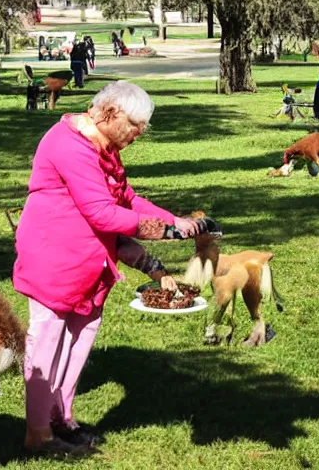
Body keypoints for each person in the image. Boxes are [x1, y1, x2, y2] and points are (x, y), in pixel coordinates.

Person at [13, 80, 203, 456]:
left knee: (79, 340)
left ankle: (61, 419)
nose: (139, 133)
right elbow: (100, 211)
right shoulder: (69, 144)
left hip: (91, 263)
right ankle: (38, 433)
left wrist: (175, 221)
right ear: (111, 113)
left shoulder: (106, 148)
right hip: (55, 260)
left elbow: (126, 198)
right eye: (135, 125)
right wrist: (161, 230)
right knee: (48, 342)